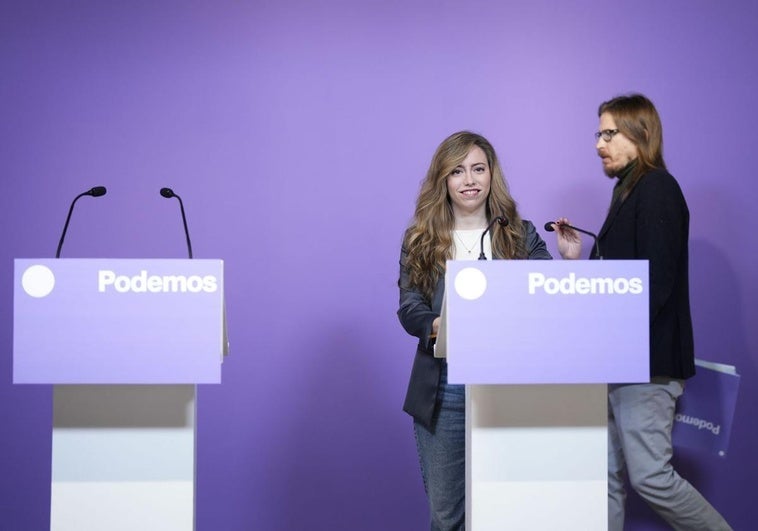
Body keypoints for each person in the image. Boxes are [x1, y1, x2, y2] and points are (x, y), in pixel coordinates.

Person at [551, 94, 731, 531]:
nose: (599, 143)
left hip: (644, 368)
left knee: (651, 477)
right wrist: (577, 262)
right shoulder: (627, 190)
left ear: (641, 134)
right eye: (598, 133)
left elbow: (654, 286)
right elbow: (616, 286)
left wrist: (612, 346)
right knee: (608, 479)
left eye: (609, 133)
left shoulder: (656, 188)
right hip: (620, 366)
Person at [397, 131, 551, 530]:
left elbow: (548, 294)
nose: (469, 180)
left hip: (508, 384)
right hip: (443, 386)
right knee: (447, 516)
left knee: (502, 515)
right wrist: (435, 324)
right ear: (443, 180)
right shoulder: (420, 240)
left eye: (478, 169)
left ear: (491, 175)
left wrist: (566, 263)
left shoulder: (520, 234)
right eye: (458, 171)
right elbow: (409, 306)